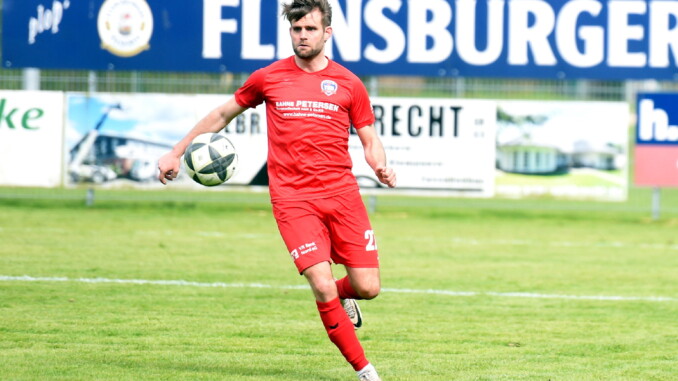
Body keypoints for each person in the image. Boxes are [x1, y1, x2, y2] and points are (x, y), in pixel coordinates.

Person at [157, 1, 396, 379]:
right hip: (292, 199)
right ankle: (365, 370)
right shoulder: (268, 78)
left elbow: (369, 138)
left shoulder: (349, 84)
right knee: (319, 283)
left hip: (342, 195)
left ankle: (339, 296)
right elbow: (221, 115)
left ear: (326, 33)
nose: (303, 36)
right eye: (297, 29)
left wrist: (379, 164)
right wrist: (176, 151)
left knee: (368, 288)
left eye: (311, 29)